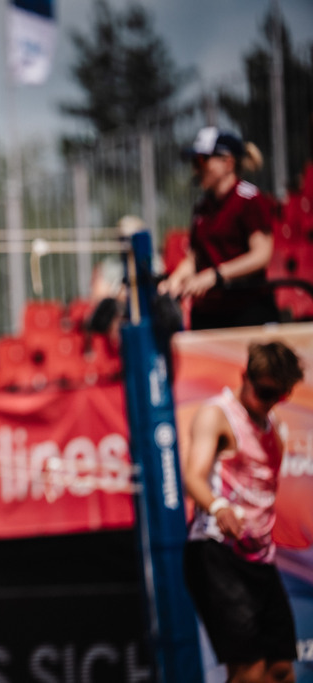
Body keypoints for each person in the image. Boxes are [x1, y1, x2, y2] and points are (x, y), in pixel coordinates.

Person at [182, 340, 304, 683]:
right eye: (265, 392)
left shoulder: (273, 428)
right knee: (248, 671)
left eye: (280, 396)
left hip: (259, 559)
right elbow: (193, 476)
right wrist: (219, 506)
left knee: (280, 670)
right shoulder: (216, 415)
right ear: (244, 376)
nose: (270, 403)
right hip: (217, 551)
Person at [159, 126, 278, 330]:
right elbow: (195, 257)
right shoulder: (202, 209)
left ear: (227, 163)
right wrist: (175, 280)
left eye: (202, 161)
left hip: (247, 311)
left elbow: (261, 254)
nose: (196, 169)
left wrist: (216, 276)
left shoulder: (249, 200)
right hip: (208, 313)